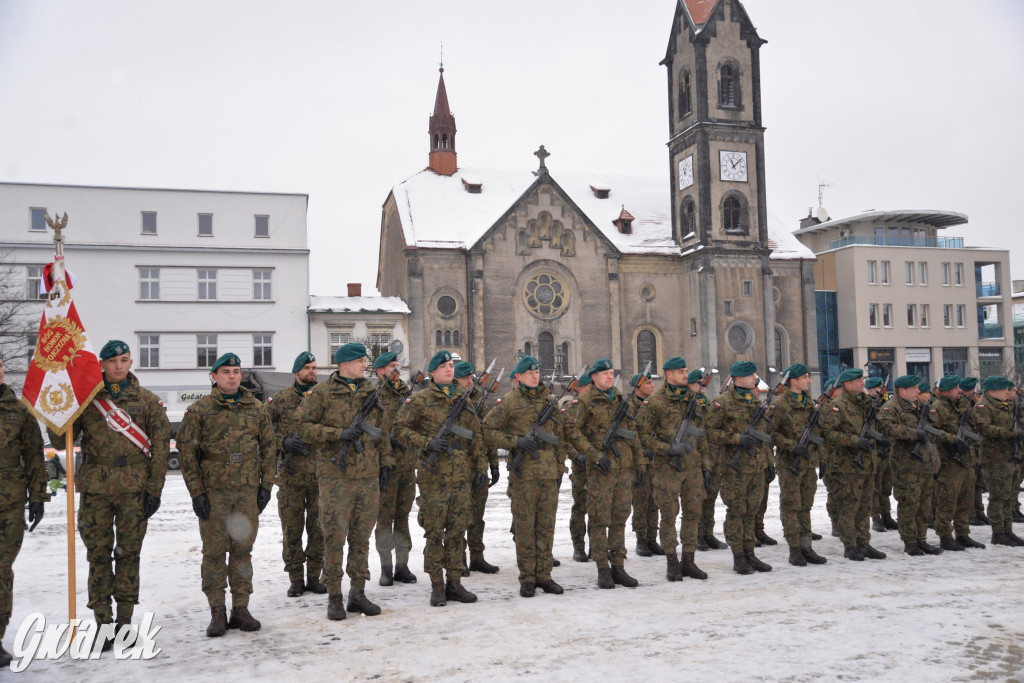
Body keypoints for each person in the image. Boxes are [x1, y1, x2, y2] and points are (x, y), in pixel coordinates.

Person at [48, 340, 170, 648]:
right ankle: (103, 625)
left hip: (134, 490)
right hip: (95, 490)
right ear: (101, 364)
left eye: (125, 360)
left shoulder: (147, 401)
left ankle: (125, 624)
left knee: (128, 556)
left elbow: (160, 449)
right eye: (112, 360)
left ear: (131, 363)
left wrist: (154, 489)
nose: (119, 365)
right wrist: (56, 409)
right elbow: (61, 443)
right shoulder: (86, 399)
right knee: (98, 557)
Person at [178, 352, 277, 636]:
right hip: (214, 493)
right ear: (215, 376)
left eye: (236, 371)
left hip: (246, 492)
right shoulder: (200, 410)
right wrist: (197, 492)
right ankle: (217, 612)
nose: (232, 376)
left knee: (242, 552)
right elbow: (187, 453)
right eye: (226, 372)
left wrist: (266, 485)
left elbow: (270, 447)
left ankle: (241, 609)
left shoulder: (257, 408)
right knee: (213, 553)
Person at [297, 342, 393, 620]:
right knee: (334, 538)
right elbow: (302, 427)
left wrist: (385, 463)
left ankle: (358, 594)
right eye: (361, 361)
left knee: (361, 538)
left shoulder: (370, 393)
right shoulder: (323, 393)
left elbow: (383, 431)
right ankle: (335, 596)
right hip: (335, 478)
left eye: (365, 361)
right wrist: (337, 434)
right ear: (344, 364)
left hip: (368, 476)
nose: (365, 365)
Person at [393, 350, 489, 606]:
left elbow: (476, 437)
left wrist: (481, 469)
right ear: (432, 373)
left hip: (461, 477)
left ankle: (454, 582)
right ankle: (437, 585)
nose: (449, 370)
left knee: (457, 532)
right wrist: (427, 443)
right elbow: (399, 429)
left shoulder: (464, 399)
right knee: (435, 533)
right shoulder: (420, 400)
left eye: (451, 366)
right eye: (443, 366)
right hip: (433, 478)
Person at [483, 355, 565, 597]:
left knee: (546, 527)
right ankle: (527, 577)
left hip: (549, 473)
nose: (535, 375)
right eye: (529, 372)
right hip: (524, 474)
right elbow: (486, 431)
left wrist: (560, 468)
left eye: (537, 371)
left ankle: (545, 576)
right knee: (525, 527)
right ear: (518, 377)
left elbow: (561, 437)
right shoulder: (509, 402)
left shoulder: (549, 400)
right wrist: (515, 442)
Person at [566, 359, 645, 589]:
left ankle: (618, 566)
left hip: (623, 468)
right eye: (605, 374)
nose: (610, 377)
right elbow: (572, 431)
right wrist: (593, 454)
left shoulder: (621, 400)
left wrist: (640, 465)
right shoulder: (585, 401)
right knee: (600, 519)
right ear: (594, 377)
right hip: (601, 469)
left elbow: (633, 434)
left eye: (611, 373)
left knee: (620, 517)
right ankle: (602, 568)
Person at [640, 359, 712, 581]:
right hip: (667, 469)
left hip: (693, 468)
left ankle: (688, 561)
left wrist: (707, 466)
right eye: (681, 371)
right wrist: (668, 449)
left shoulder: (695, 400)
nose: (685, 374)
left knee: (693, 514)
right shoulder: (655, 402)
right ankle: (672, 561)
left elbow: (703, 436)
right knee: (669, 515)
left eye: (686, 371)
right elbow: (643, 437)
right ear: (668, 375)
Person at [0, 355, 48, 666]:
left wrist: (38, 497)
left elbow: (34, 455)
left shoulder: (18, 411)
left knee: (2, 572)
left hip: (8, 505)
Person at [705, 361, 773, 574]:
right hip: (735, 469)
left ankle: (750, 553)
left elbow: (763, 435)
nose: (755, 378)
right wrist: (736, 438)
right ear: (738, 378)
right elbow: (710, 432)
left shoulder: (753, 400)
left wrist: (769, 462)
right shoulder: (722, 403)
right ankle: (739, 556)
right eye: (752, 375)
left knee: (752, 511)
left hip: (756, 466)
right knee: (737, 511)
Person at [267, 351, 326, 598]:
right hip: (290, 477)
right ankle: (295, 579)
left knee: (318, 529)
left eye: (314, 367)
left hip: (319, 476)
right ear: (296, 372)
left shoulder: (322, 398)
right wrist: (284, 442)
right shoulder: (279, 401)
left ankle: (314, 577)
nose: (312, 371)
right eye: (307, 368)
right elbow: (264, 434)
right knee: (291, 530)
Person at [819, 368, 886, 561]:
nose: (863, 384)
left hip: (866, 463)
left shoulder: (864, 404)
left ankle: (863, 542)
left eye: (862, 380)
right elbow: (828, 433)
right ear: (847, 384)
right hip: (847, 466)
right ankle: (850, 545)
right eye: (858, 381)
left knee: (865, 506)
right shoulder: (838, 405)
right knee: (849, 506)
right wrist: (854, 441)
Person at [768, 363, 827, 567]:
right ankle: (794, 550)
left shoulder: (809, 403)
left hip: (808, 463)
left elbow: (817, 433)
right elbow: (771, 433)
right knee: (791, 507)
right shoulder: (781, 404)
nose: (809, 380)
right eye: (805, 377)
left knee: (806, 507)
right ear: (794, 381)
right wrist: (791, 446)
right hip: (789, 464)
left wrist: (822, 459)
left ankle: (806, 547)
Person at [371, 351, 419, 586]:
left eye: (397, 365)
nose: (396, 369)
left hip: (407, 465)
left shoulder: (407, 394)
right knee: (384, 518)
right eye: (391, 366)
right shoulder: (374, 396)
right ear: (380, 371)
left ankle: (402, 565)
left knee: (403, 516)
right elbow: (368, 429)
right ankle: (386, 568)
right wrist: (388, 438)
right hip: (385, 467)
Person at [454, 360, 500, 576]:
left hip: (479, 466)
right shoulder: (452, 400)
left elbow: (486, 434)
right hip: (459, 466)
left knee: (477, 515)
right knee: (460, 514)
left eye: (471, 378)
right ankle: (459, 559)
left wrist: (493, 464)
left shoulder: (480, 401)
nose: (470, 382)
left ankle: (477, 556)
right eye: (465, 378)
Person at [971, 375, 1024, 546]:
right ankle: (998, 533)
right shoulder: (982, 406)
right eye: (1005, 389)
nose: (1008, 392)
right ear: (993, 390)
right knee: (998, 497)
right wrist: (1012, 434)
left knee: (1009, 497)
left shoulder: (1006, 406)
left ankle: (1007, 531)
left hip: (1010, 457)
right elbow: (986, 429)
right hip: (994, 459)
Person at [630, 372, 661, 558]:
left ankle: (652, 538)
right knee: (641, 501)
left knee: (654, 500)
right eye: (648, 383)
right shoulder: (629, 406)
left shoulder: (654, 404)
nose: (652, 385)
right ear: (638, 386)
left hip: (656, 459)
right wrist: (642, 450)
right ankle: (641, 540)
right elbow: (631, 433)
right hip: (639, 461)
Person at [566, 372, 593, 562]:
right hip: (581, 467)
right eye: (588, 387)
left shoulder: (596, 407)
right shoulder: (572, 407)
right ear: (580, 388)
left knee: (598, 509)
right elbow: (566, 438)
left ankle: (597, 547)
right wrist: (576, 455)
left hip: (597, 465)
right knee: (580, 508)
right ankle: (579, 546)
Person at [867, 377, 898, 533]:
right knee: (875, 487)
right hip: (875, 451)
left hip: (887, 451)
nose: (881, 390)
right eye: (878, 388)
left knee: (886, 486)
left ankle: (886, 515)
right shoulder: (867, 404)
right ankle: (876, 517)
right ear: (871, 389)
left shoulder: (883, 405)